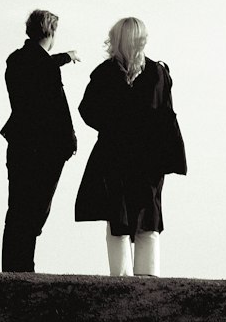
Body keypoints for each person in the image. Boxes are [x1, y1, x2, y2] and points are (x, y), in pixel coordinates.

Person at [75, 17, 186, 277]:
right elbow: (166, 114)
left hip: (115, 154)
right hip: (149, 157)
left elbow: (87, 109)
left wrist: (110, 127)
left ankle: (120, 276)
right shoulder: (158, 73)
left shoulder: (105, 73)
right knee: (148, 214)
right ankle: (148, 276)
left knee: (119, 215)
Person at [0, 9, 80, 273]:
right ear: (52, 32)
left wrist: (65, 57)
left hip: (20, 144)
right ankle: (23, 267)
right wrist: (71, 142)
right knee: (35, 212)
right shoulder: (44, 68)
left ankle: (14, 268)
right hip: (44, 150)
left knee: (17, 209)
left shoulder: (16, 60)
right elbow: (59, 106)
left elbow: (40, 62)